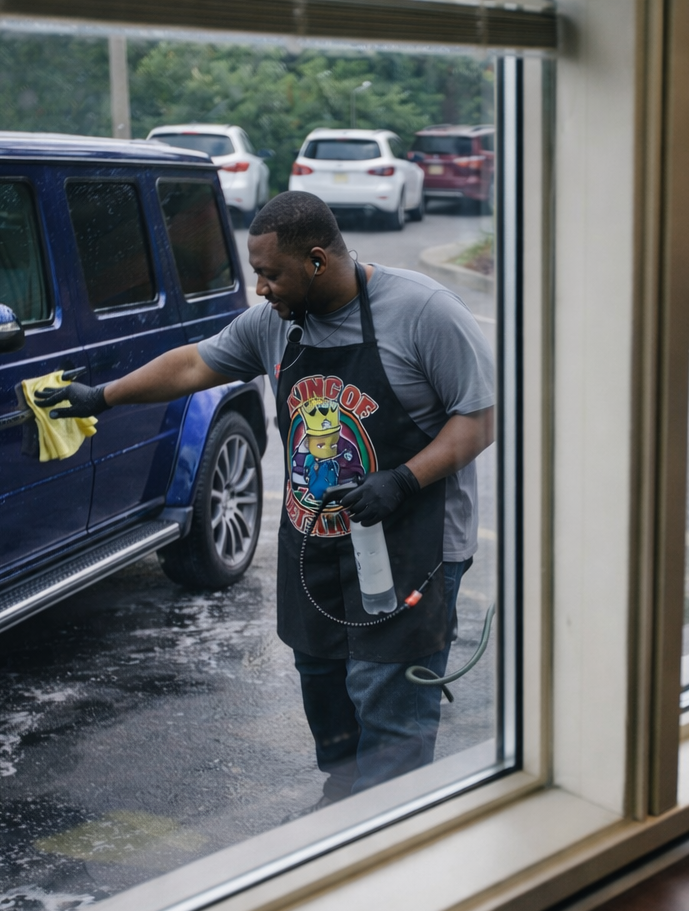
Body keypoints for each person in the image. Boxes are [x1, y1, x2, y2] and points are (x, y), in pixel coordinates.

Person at [38, 191, 494, 807]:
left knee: (388, 699)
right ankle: (343, 800)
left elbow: (479, 418)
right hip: (317, 545)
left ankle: (389, 824)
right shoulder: (276, 323)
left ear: (315, 261)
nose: (261, 289)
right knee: (322, 680)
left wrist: (403, 479)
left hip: (413, 545)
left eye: (270, 274)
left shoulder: (422, 312)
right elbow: (193, 366)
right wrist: (102, 397)